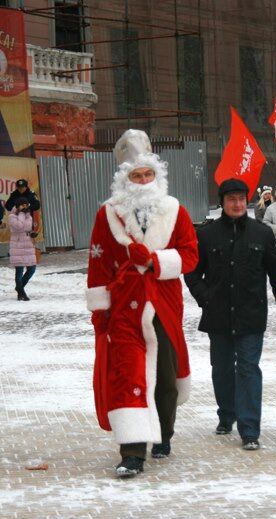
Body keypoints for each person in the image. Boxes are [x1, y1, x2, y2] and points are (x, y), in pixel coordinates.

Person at [85, 129, 198, 478]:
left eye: (148, 174)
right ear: (126, 180)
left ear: (157, 176)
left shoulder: (174, 210)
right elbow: (99, 263)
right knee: (127, 375)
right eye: (137, 175)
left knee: (164, 377)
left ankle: (163, 434)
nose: (143, 180)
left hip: (163, 304)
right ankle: (132, 452)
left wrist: (154, 261)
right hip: (124, 308)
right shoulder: (108, 215)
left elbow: (190, 256)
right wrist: (100, 311)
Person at [185, 179, 276, 451]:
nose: (237, 203)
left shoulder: (261, 233)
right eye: (232, 199)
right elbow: (192, 271)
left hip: (251, 315)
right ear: (222, 203)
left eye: (241, 198)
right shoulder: (206, 235)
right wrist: (205, 296)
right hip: (218, 315)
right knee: (221, 369)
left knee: (248, 369)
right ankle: (226, 413)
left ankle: (250, 428)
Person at [8, 197, 37, 301]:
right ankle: (21, 293)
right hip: (18, 245)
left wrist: (32, 233)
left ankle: (19, 287)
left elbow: (28, 228)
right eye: (22, 205)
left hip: (28, 244)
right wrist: (21, 213)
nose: (25, 207)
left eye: (26, 205)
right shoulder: (12, 216)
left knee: (32, 269)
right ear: (17, 206)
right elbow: (19, 226)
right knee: (19, 270)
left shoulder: (28, 215)